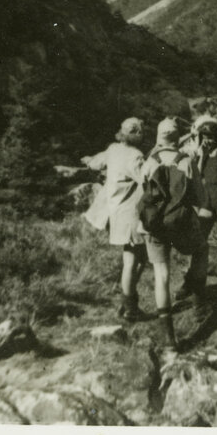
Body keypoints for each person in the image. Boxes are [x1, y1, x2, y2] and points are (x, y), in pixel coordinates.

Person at [82, 117, 148, 322]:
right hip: (129, 216)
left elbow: (94, 163)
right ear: (136, 134)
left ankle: (127, 302)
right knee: (133, 260)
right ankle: (129, 307)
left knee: (137, 258)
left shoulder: (113, 149)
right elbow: (146, 180)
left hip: (114, 213)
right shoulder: (136, 156)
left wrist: (88, 160)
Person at [141, 117, 193, 350]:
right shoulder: (186, 161)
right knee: (201, 250)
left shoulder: (150, 161)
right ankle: (200, 302)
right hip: (180, 223)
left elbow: (143, 193)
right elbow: (198, 195)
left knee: (161, 275)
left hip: (155, 225)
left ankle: (168, 337)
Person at [179, 116, 217, 301]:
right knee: (199, 241)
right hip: (207, 199)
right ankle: (192, 281)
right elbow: (197, 173)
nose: (207, 140)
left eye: (210, 136)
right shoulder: (202, 152)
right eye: (204, 136)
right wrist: (202, 155)